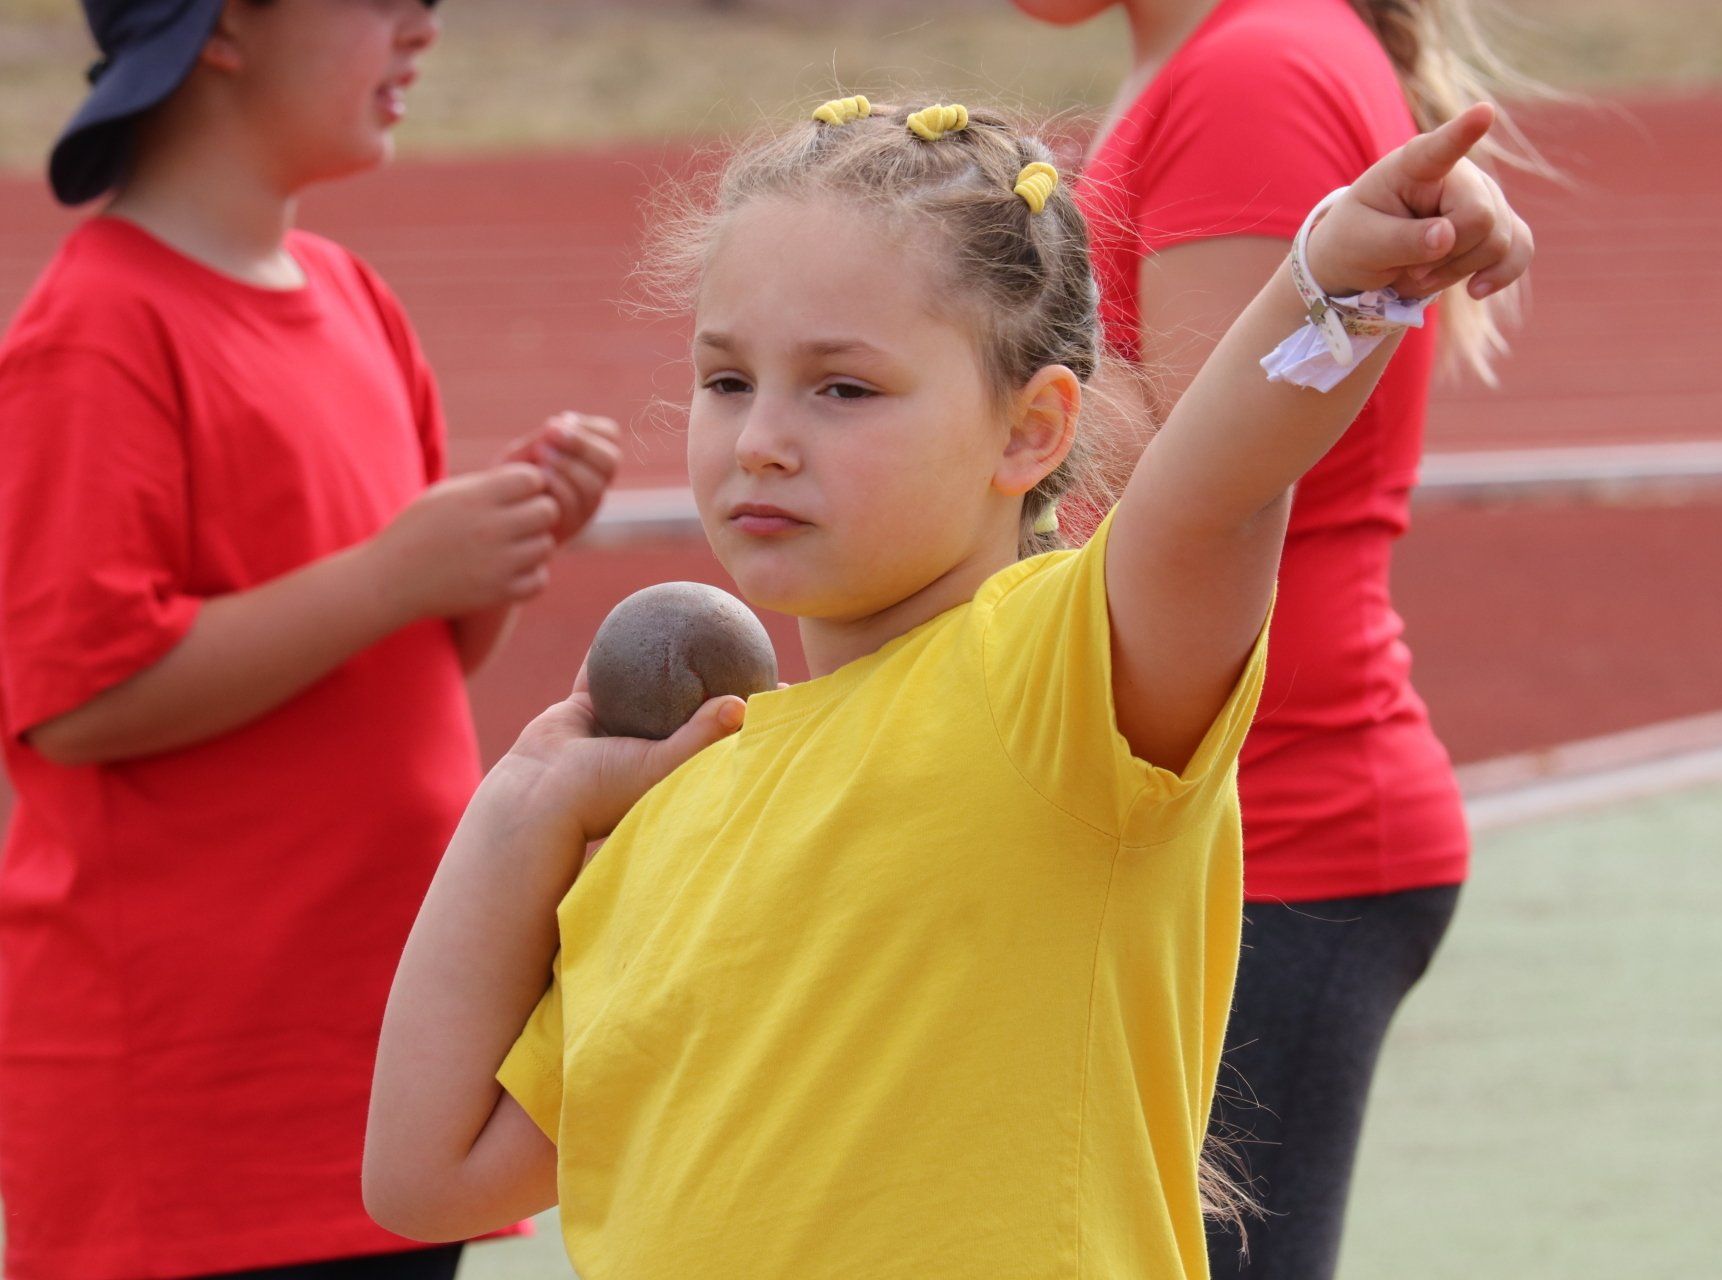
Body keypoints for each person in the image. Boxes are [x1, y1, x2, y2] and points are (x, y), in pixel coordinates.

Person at [362, 92, 1531, 1278]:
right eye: (727, 380)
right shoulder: (676, 805)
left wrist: (1341, 282)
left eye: (842, 388)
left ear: (1030, 433)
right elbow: (424, 1172)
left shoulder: (1060, 688)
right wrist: (525, 798)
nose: (762, 436)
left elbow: (1217, 488)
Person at [0, 1, 621, 1275]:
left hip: (381, 1081)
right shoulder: (100, 326)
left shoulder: (351, 296)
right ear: (223, 26)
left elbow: (400, 667)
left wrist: (487, 555)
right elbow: (78, 697)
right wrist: (396, 574)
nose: (422, 30)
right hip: (201, 1113)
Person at [1011, 1, 1548, 1273]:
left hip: (1275, 833)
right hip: (1229, 819)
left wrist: (959, 368)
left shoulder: (1257, 66)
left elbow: (1201, 483)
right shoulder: (1222, 58)